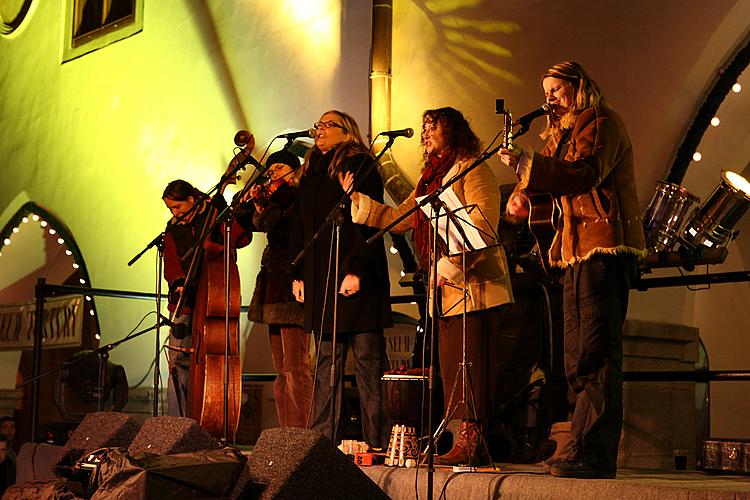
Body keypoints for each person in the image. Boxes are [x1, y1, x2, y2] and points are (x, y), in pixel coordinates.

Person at [340, 107, 515, 466]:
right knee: (453, 364)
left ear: (453, 130)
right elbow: (402, 217)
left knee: (473, 362)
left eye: (432, 127)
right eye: (424, 128)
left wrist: (450, 263)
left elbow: (483, 226)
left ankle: (474, 436)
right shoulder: (429, 179)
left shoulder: (473, 169)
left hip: (476, 284)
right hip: (447, 290)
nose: (426, 134)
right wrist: (359, 201)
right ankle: (462, 434)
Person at [498, 61, 646, 479]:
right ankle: (581, 445)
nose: (549, 97)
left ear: (578, 88)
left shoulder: (600, 120)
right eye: (545, 90)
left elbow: (586, 173)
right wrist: (521, 195)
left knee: (596, 353)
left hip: (604, 248)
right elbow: (546, 179)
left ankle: (596, 454)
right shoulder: (559, 137)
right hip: (574, 252)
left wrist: (530, 169)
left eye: (556, 89)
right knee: (576, 355)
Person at [289, 110, 392, 450]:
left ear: (346, 131)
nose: (318, 130)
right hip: (323, 281)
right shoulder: (311, 172)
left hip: (356, 279)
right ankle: (321, 442)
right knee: (326, 365)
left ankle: (378, 441)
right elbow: (302, 227)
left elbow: (369, 221)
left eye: (327, 124)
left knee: (368, 363)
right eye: (317, 124)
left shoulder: (359, 164)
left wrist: (357, 270)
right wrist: (298, 273)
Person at [235, 149, 313, 428]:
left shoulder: (299, 196)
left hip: (292, 281)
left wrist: (266, 205)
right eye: (272, 168)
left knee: (296, 367)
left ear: (295, 170)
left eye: (281, 167)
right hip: (273, 283)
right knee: (280, 370)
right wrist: (254, 201)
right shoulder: (274, 199)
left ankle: (301, 430)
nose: (274, 172)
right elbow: (251, 219)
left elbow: (287, 230)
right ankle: (286, 429)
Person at [162, 179, 251, 417]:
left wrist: (223, 210)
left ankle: (207, 416)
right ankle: (176, 423)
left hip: (214, 296)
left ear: (192, 200)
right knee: (177, 360)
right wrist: (178, 282)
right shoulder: (172, 228)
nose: (175, 213)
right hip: (184, 302)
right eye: (171, 209)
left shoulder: (214, 213)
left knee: (210, 363)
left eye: (178, 207)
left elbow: (241, 239)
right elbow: (170, 261)